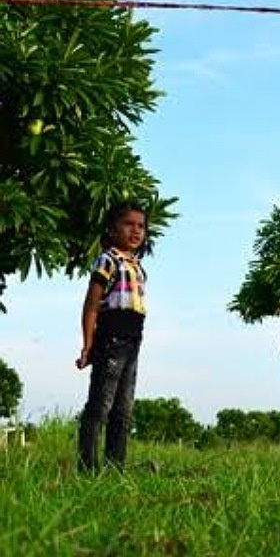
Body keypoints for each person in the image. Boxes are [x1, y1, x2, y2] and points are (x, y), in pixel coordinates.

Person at [76, 200, 152, 473]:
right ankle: (87, 467)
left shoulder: (138, 266)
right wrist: (88, 345)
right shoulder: (107, 259)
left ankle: (115, 468)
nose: (135, 230)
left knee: (123, 409)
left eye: (141, 226)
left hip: (133, 341)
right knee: (101, 405)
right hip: (111, 339)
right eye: (128, 224)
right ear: (112, 228)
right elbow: (91, 305)